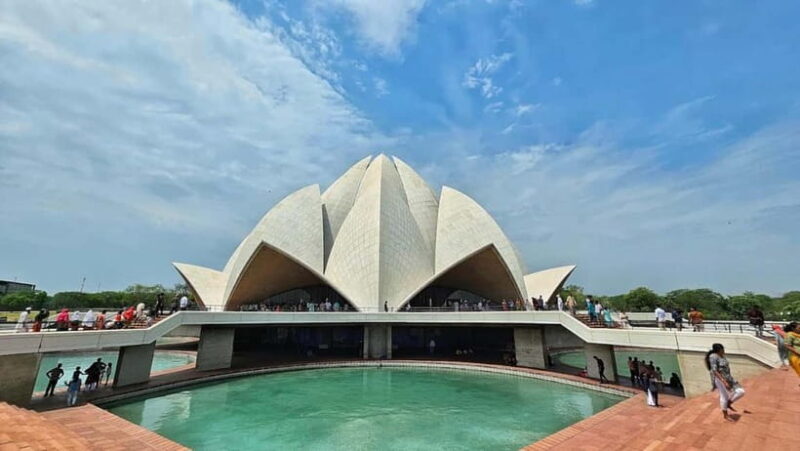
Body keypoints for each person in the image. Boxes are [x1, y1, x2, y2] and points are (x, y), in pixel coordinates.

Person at [706, 343, 745, 421]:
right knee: (724, 396)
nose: (724, 351)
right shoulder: (713, 357)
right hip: (720, 379)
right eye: (722, 349)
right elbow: (714, 371)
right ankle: (725, 414)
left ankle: (728, 403)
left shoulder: (722, 356)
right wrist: (724, 382)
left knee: (741, 391)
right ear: (718, 351)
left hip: (729, 378)